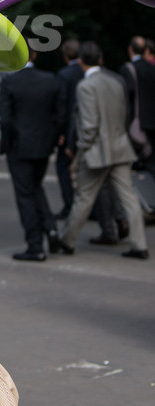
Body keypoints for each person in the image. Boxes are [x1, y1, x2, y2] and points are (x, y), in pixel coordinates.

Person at [58, 41, 148, 259]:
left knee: (84, 197)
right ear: (100, 59)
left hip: (97, 152)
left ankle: (67, 240)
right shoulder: (116, 80)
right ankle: (140, 245)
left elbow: (88, 126)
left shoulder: (85, 86)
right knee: (129, 197)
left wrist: (80, 151)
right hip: (120, 147)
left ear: (80, 61)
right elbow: (125, 115)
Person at [0, 45, 60, 261]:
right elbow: (58, 115)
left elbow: (5, 120)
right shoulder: (50, 80)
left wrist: (5, 146)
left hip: (19, 147)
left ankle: (35, 246)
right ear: (35, 55)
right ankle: (51, 228)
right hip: (43, 146)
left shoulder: (9, 82)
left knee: (25, 194)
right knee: (36, 188)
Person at [119, 35, 155, 174]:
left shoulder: (128, 69)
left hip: (136, 121)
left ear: (130, 49)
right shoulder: (152, 68)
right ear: (145, 50)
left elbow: (127, 95)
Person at [55, 38, 83, 218]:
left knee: (63, 168)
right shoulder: (86, 72)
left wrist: (61, 133)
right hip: (88, 127)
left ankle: (70, 204)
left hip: (70, 129)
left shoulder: (64, 75)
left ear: (65, 55)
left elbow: (62, 107)